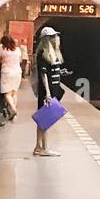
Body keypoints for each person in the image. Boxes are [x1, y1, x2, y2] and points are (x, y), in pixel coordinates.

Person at [32, 27, 70, 157]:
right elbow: (44, 75)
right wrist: (47, 93)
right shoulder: (43, 53)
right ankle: (45, 148)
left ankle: (38, 146)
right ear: (47, 39)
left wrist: (60, 72)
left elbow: (51, 71)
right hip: (47, 92)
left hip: (53, 89)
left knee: (42, 119)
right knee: (45, 120)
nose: (56, 38)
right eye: (53, 37)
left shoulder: (53, 53)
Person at [0, 33, 23, 120]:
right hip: (17, 72)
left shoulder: (3, 49)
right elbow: (20, 60)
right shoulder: (17, 50)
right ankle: (13, 113)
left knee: (7, 93)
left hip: (7, 72)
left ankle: (13, 109)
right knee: (14, 92)